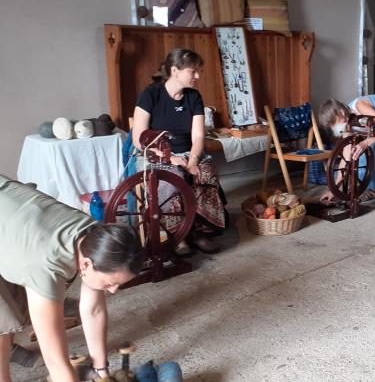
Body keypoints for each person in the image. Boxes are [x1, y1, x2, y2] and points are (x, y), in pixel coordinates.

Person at [0, 175, 143, 382]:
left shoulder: (96, 239)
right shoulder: (45, 269)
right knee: (2, 325)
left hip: (15, 218)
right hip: (21, 235)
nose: (113, 290)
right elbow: (55, 361)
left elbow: (93, 310)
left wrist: (101, 371)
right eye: (110, 283)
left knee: (16, 308)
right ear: (86, 264)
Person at [132, 48, 227, 254]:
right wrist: (169, 157)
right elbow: (138, 138)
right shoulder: (150, 95)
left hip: (187, 153)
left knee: (205, 172)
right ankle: (178, 236)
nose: (197, 76)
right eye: (193, 71)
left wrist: (193, 160)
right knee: (174, 177)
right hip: (156, 155)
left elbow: (198, 137)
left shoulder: (194, 97)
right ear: (175, 70)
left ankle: (199, 232)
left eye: (198, 71)